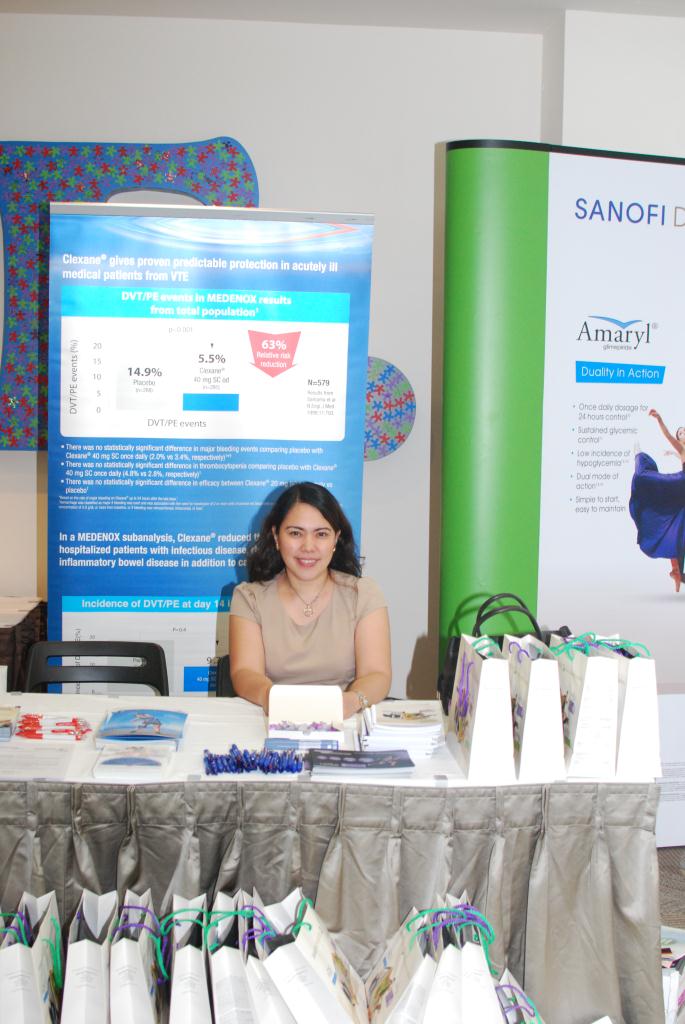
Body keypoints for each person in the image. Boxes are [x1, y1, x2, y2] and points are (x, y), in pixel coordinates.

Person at [228, 482, 392, 716]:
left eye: (321, 534)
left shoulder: (363, 595)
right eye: (295, 533)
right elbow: (245, 672)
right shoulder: (249, 598)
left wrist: (352, 701)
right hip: (272, 718)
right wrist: (275, 700)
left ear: (335, 539)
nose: (308, 547)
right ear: (276, 537)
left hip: (345, 719)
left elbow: (377, 674)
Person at [629, 409, 685, 591]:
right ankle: (639, 457)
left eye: (684, 430)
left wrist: (674, 455)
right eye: (681, 433)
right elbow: (668, 435)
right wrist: (660, 419)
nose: (683, 433)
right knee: (646, 478)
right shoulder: (682, 448)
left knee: (677, 526)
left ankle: (677, 572)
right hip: (681, 484)